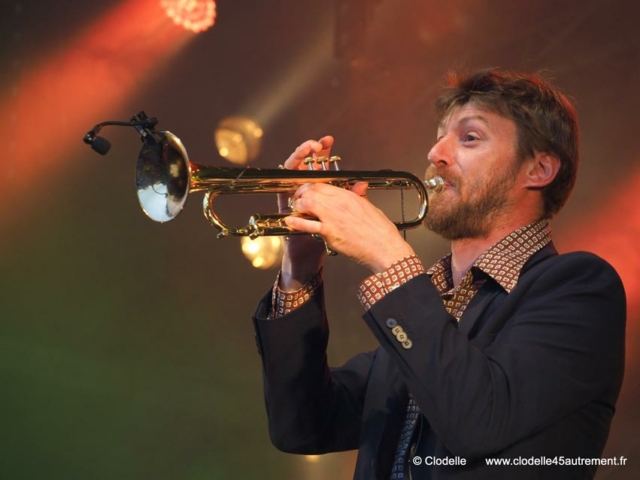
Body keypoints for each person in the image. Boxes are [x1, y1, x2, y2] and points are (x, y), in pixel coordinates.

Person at [251, 69, 626, 479]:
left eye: (469, 137)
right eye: (440, 135)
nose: (436, 153)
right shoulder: (426, 311)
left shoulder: (580, 288)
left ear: (537, 170)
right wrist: (299, 267)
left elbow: (478, 421)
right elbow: (301, 428)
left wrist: (388, 254)